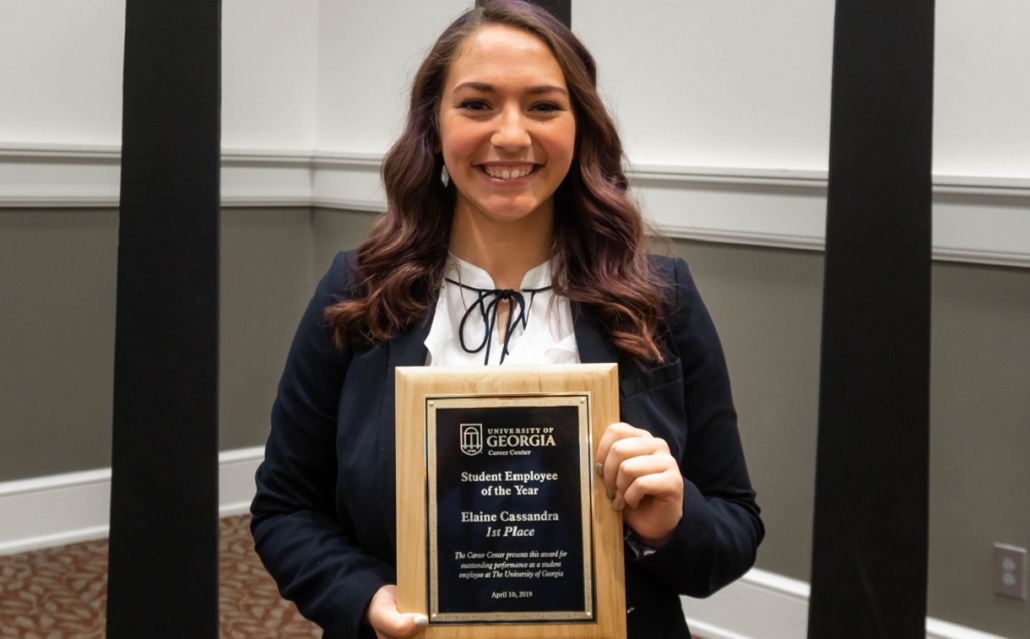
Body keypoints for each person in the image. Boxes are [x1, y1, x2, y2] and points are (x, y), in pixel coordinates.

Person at [251, 2, 763, 638]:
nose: (512, 135)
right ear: (433, 126)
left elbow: (736, 528)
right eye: (477, 104)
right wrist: (367, 598)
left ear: (581, 128)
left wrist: (672, 521)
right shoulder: (357, 294)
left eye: (544, 106)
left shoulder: (661, 298)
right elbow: (285, 507)